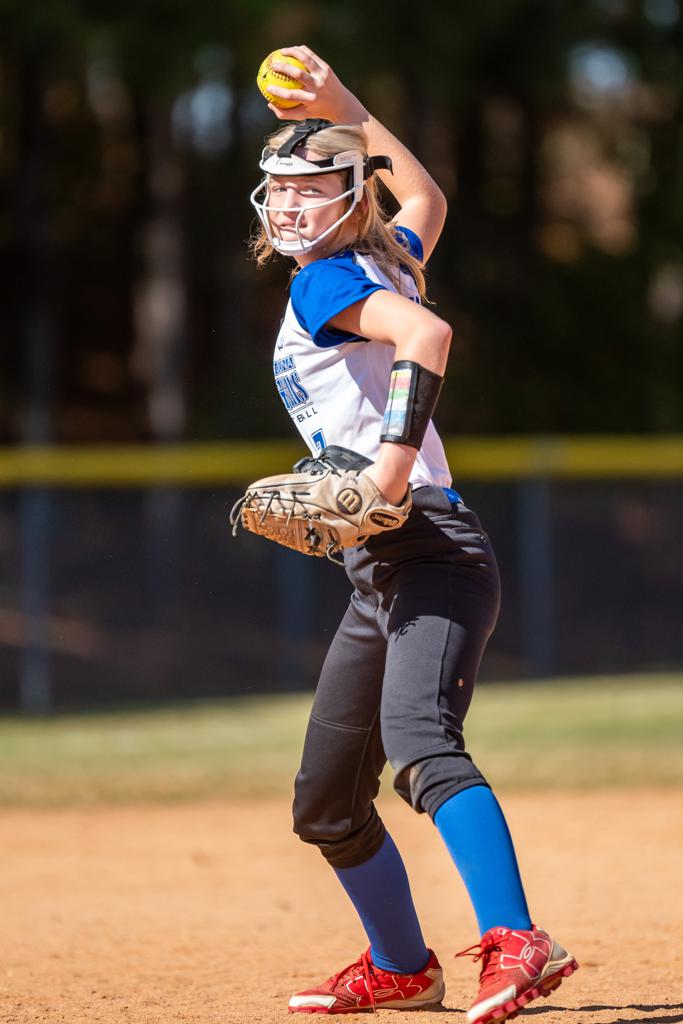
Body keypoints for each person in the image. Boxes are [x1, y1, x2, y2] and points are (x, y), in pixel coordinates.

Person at [248, 44, 578, 1024]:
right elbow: (426, 192)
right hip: (378, 571)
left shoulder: (327, 283)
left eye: (314, 187)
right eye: (279, 188)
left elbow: (425, 340)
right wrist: (341, 103)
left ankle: (519, 941)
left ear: (345, 199)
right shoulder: (379, 255)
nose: (291, 204)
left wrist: (387, 470)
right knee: (326, 803)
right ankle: (400, 965)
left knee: (422, 749)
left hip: (424, 545)